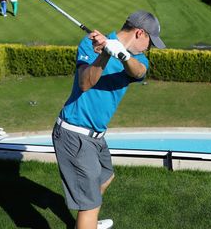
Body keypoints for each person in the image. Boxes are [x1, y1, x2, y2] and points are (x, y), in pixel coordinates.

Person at [52, 11, 165, 229]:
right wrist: (104, 54)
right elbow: (85, 83)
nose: (148, 49)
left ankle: (88, 222)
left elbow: (139, 72)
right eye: (150, 42)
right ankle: (88, 220)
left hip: (96, 137)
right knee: (90, 204)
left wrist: (121, 54)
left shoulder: (136, 58)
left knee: (105, 177)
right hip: (75, 133)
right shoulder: (90, 44)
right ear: (140, 33)